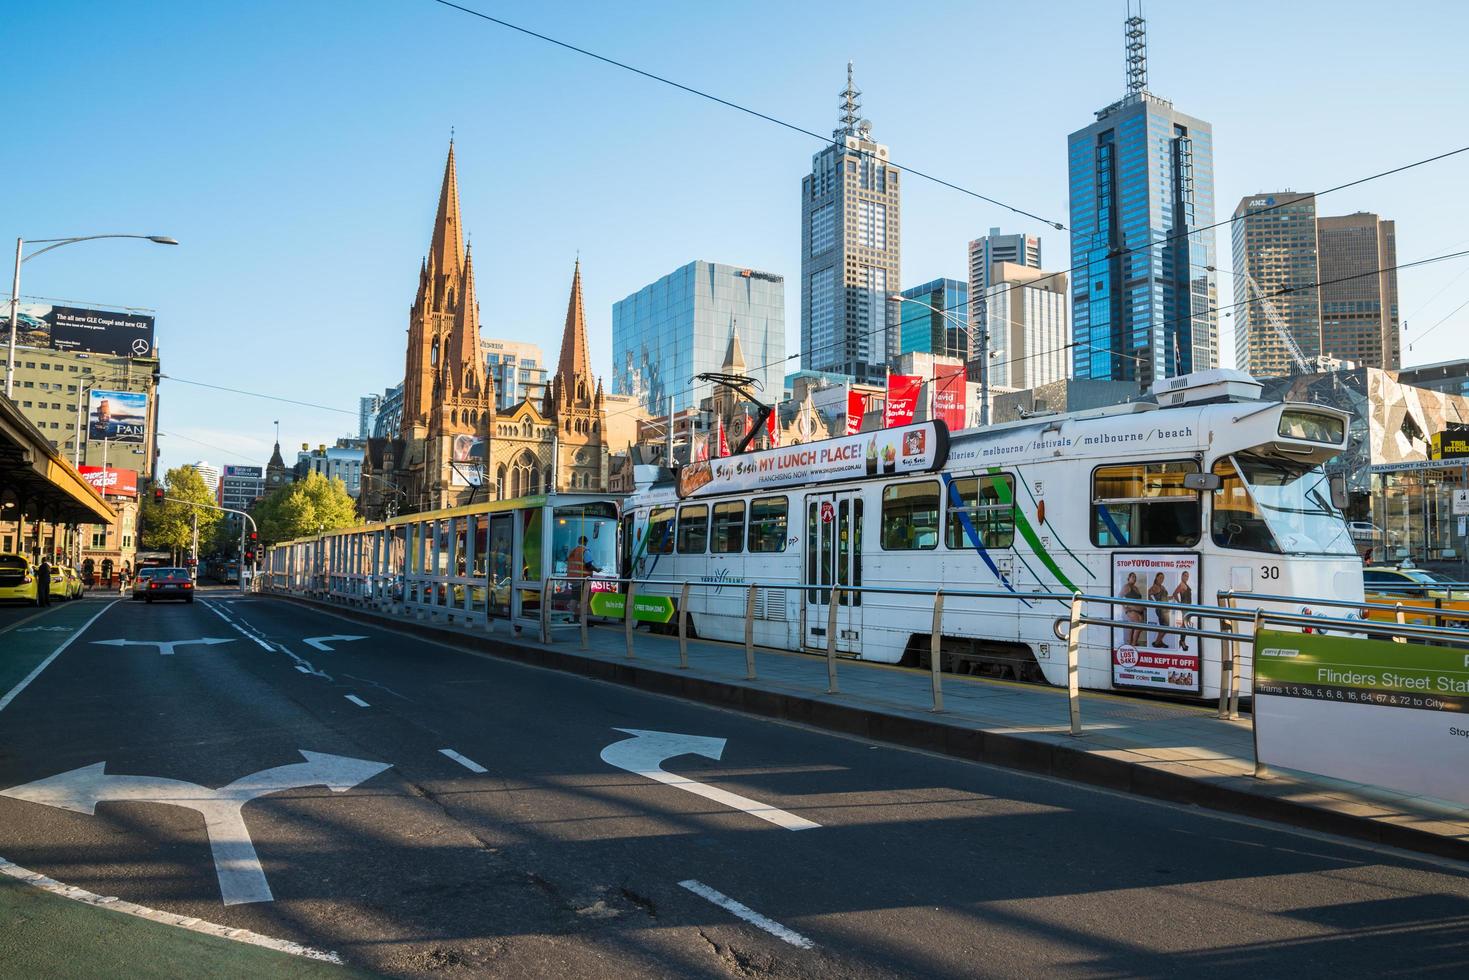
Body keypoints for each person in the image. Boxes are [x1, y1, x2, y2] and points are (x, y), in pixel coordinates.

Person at [1170, 571, 1194, 651]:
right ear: (1182, 576)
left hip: (1188, 607)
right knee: (1185, 625)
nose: (1187, 577)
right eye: (1185, 575)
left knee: (1185, 624)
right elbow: (1174, 594)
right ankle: (1182, 642)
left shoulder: (1185, 584)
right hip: (1185, 607)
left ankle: (1182, 641)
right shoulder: (1181, 585)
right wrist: (1179, 602)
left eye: (1188, 576)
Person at [1120, 572, 1144, 646]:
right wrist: (1125, 608)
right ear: (1128, 578)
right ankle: (1133, 644)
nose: (1134, 578)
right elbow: (1119, 597)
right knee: (1139, 626)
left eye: (1135, 577)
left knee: (1134, 628)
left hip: (1139, 611)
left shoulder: (1136, 588)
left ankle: (1131, 644)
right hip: (1132, 610)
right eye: (1133, 577)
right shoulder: (1126, 587)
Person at [1149, 572, 1169, 647]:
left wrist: (1172, 597)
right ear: (1156, 577)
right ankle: (1157, 642)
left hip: (1166, 609)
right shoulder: (1155, 587)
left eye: (1163, 578)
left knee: (1163, 627)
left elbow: (1165, 597)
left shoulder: (1162, 587)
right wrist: (1155, 604)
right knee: (1165, 627)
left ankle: (1159, 642)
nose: (1162, 579)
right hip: (1161, 610)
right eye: (1160, 577)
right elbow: (1148, 595)